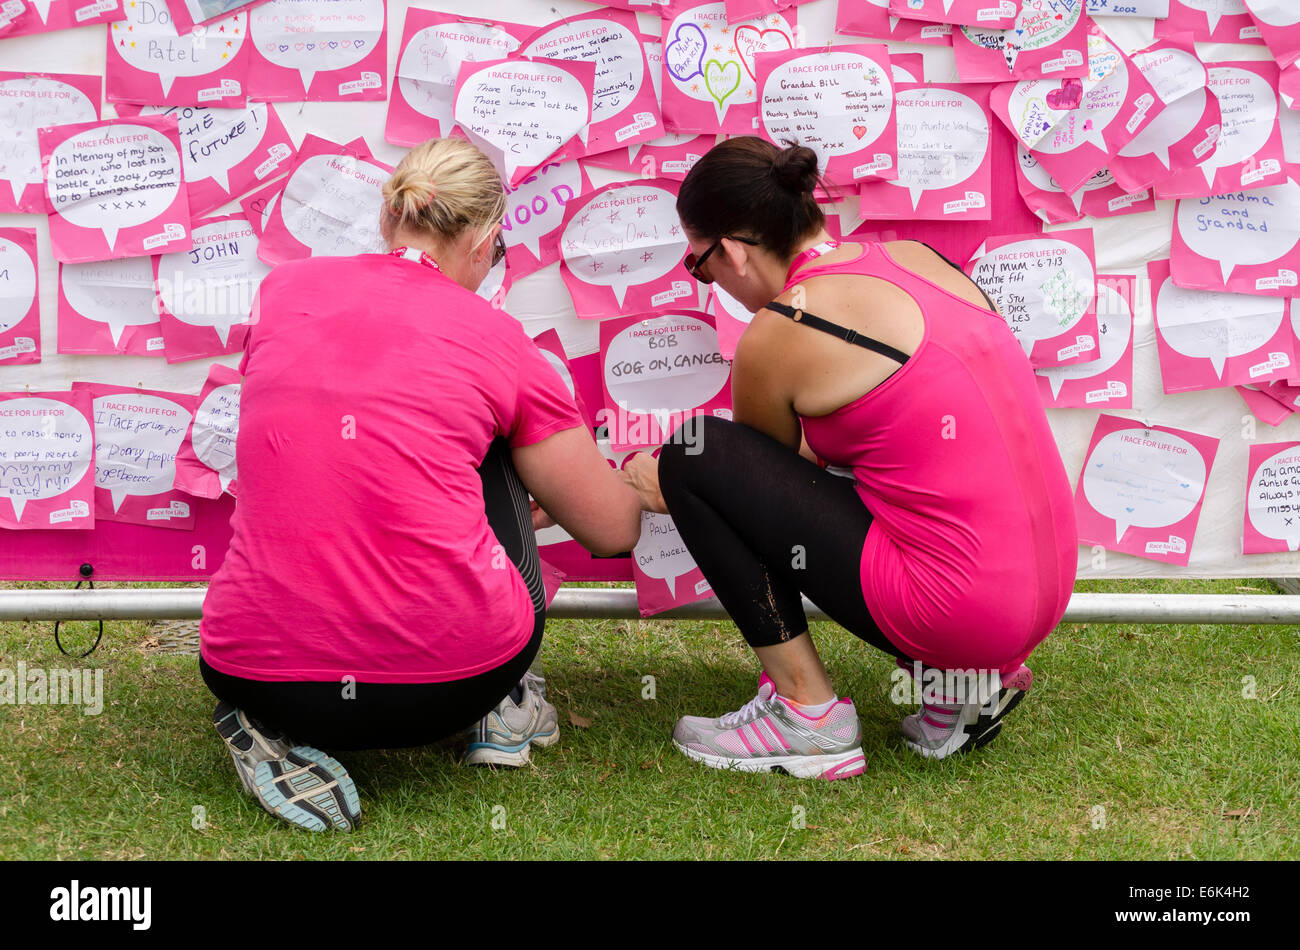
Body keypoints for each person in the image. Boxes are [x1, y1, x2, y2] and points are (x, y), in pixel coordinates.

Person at [198, 138, 642, 831]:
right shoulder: (500, 338)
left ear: (387, 220)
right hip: (452, 688)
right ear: (487, 241)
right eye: (497, 255)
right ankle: (507, 705)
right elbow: (612, 530)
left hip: (250, 671)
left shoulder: (283, 293)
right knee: (496, 434)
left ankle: (267, 726)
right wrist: (643, 479)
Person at [620, 137, 1078, 778]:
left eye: (700, 266)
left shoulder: (781, 328)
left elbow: (755, 485)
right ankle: (961, 687)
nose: (711, 281)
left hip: (959, 608)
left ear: (732, 252)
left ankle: (808, 716)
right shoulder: (915, 258)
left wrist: (661, 479)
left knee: (700, 453)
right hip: (1044, 588)